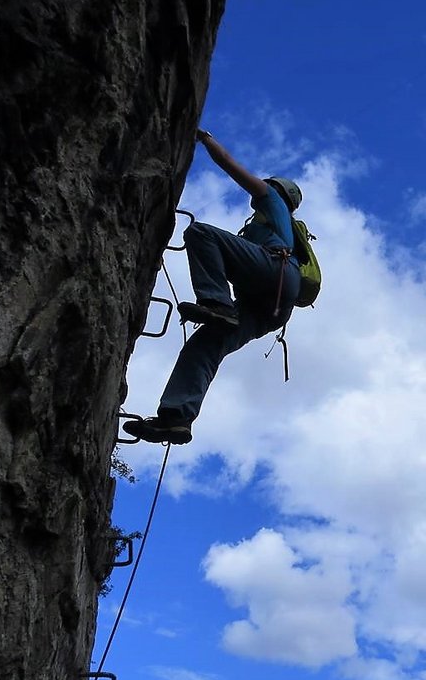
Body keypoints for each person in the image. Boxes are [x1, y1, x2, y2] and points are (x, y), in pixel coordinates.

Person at [124, 130, 305, 444]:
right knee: (204, 345)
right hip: (271, 306)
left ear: (277, 190)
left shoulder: (273, 201)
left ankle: (217, 304)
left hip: (275, 272)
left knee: (201, 234)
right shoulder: (269, 227)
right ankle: (176, 418)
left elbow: (229, 163)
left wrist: (206, 139)